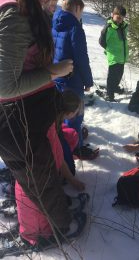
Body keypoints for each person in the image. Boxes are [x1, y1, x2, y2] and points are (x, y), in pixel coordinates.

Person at [0, 0, 77, 239]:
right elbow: (5, 86)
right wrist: (52, 72)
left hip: (24, 117)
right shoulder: (14, 15)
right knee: (37, 183)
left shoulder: (11, 3)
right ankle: (51, 232)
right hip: (18, 120)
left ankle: (47, 224)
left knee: (35, 179)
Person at [15, 90, 86, 246]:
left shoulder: (50, 119)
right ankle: (37, 235)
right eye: (76, 112)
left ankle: (45, 222)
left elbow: (59, 158)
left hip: (31, 170)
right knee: (38, 196)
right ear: (67, 112)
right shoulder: (49, 129)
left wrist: (71, 180)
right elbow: (58, 159)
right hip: (36, 178)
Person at [52, 0, 99, 159]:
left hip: (57, 77)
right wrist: (88, 80)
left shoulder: (54, 22)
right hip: (73, 79)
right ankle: (76, 148)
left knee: (62, 112)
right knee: (75, 115)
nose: (81, 16)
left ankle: (66, 140)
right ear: (77, 7)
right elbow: (81, 57)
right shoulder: (75, 28)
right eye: (81, 12)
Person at [99, 5, 129, 102]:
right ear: (113, 15)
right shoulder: (110, 28)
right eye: (118, 17)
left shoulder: (123, 27)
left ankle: (114, 87)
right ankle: (109, 94)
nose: (120, 20)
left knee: (119, 75)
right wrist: (109, 50)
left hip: (122, 57)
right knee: (112, 76)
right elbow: (101, 41)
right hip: (114, 57)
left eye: (122, 18)